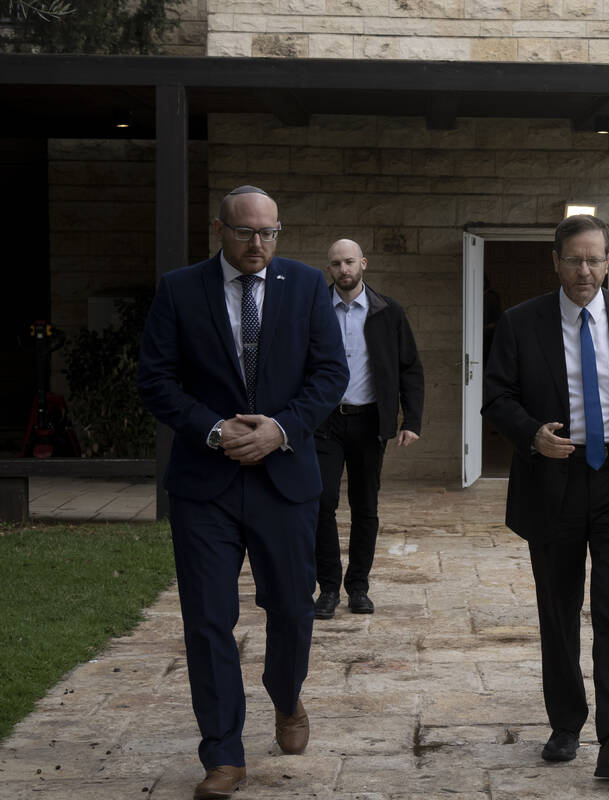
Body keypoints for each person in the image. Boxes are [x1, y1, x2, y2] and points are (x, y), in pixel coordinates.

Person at [137, 186, 348, 800]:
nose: (258, 245)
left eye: (269, 233)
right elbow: (154, 378)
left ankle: (286, 697)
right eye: (246, 232)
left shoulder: (308, 286)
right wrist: (212, 429)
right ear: (219, 229)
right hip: (207, 484)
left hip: (284, 479)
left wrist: (279, 429)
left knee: (290, 608)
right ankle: (223, 754)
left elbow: (330, 373)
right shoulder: (180, 289)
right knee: (208, 620)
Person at [481, 214, 609, 779]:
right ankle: (566, 721)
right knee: (559, 609)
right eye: (574, 259)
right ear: (556, 262)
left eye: (595, 259)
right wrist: (531, 435)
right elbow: (496, 399)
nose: (585, 270)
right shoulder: (522, 323)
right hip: (554, 480)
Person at [314, 238, 424, 619]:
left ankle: (358, 587)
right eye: (335, 264)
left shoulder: (387, 311)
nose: (343, 270)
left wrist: (411, 420)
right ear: (329, 269)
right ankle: (327, 588)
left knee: (365, 507)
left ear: (363, 263)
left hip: (369, 422)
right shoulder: (315, 309)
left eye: (349, 262)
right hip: (323, 424)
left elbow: (410, 367)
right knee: (321, 504)